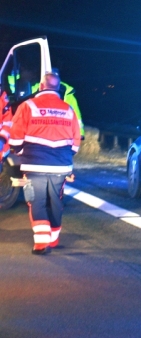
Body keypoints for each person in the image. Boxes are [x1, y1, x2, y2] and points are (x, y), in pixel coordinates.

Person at [8, 71, 81, 254]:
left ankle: (41, 243)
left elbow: (15, 139)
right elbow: (76, 141)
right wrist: (65, 156)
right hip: (61, 166)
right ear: (57, 88)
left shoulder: (27, 106)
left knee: (37, 200)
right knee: (56, 200)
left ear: (41, 86)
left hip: (35, 164)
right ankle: (54, 239)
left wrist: (22, 152)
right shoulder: (68, 109)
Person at [31, 68, 84, 138]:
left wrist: (80, 133)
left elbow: (76, 115)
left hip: (59, 132)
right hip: (40, 131)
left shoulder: (67, 93)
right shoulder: (35, 88)